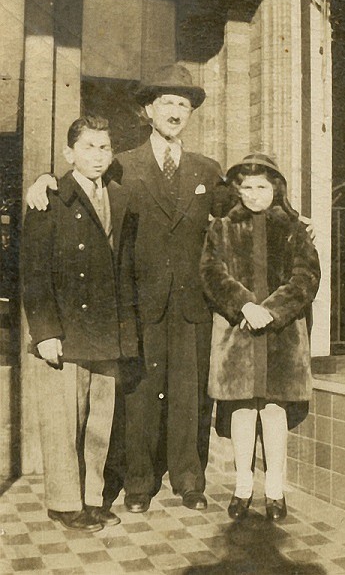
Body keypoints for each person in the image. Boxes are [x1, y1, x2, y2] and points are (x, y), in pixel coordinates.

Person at [26, 64, 229, 513]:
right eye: (168, 103)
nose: (176, 111)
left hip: (192, 304)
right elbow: (80, 176)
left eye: (184, 104)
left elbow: (244, 205)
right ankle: (138, 485)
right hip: (139, 302)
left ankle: (189, 481)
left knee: (189, 394)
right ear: (148, 110)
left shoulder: (207, 169)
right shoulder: (122, 164)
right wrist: (43, 178)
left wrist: (293, 216)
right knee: (138, 396)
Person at [22, 115, 138, 532]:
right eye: (89, 147)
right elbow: (33, 273)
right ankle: (64, 503)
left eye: (105, 147)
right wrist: (45, 332)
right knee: (63, 422)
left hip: (106, 332)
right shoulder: (49, 198)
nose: (98, 156)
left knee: (98, 423)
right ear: (70, 153)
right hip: (65, 332)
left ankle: (91, 499)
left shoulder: (119, 198)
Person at [200, 153, 320, 522]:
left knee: (273, 409)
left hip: (281, 335)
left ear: (276, 189)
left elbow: (306, 276)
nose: (254, 194)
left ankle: (274, 491)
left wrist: (271, 309)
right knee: (241, 409)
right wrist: (245, 306)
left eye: (262, 187)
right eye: (247, 187)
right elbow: (211, 272)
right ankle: (242, 488)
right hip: (238, 334)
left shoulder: (295, 228)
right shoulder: (221, 228)